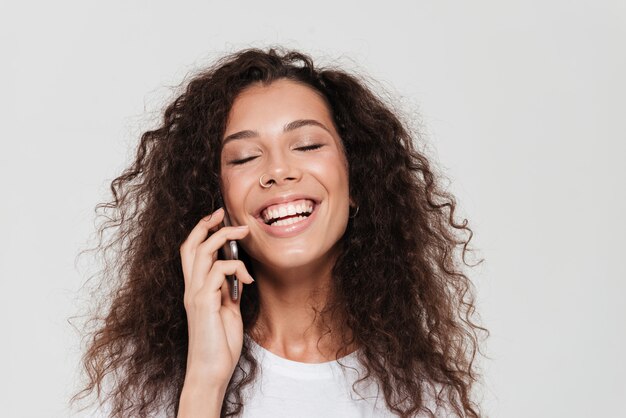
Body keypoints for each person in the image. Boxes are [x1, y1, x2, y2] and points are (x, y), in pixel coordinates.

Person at [70, 47, 487, 418]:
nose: (278, 171)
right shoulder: (154, 385)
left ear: (357, 181)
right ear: (217, 202)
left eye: (307, 145)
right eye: (245, 157)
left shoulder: (423, 395)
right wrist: (205, 380)